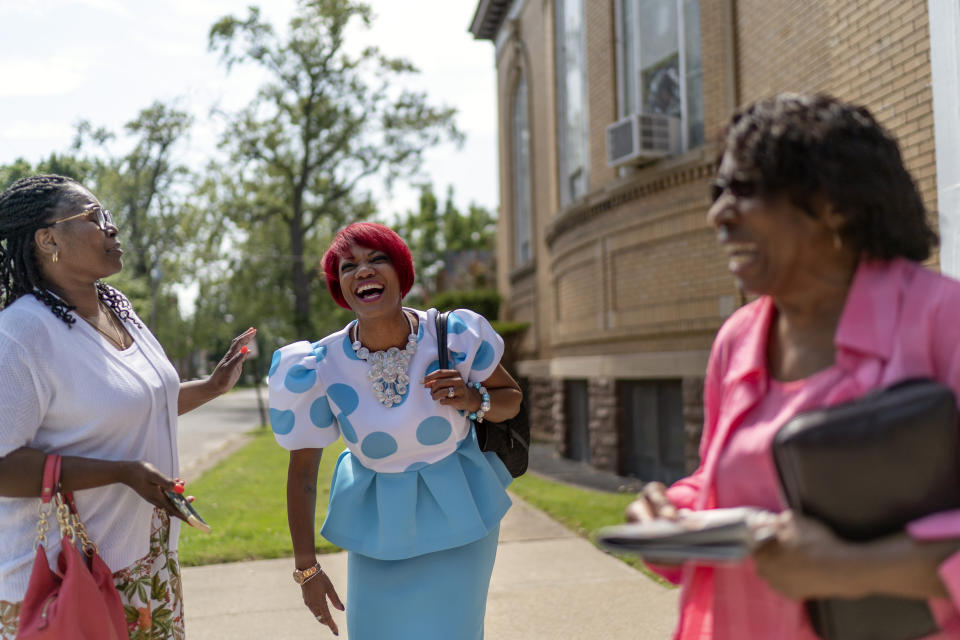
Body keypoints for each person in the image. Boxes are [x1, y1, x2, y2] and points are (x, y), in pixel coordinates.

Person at [625, 93, 960, 639]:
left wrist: (854, 569)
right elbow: (728, 481)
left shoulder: (944, 322)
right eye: (718, 192)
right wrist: (674, 516)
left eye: (746, 189)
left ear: (838, 203)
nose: (719, 214)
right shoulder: (738, 340)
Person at [0, 174, 256, 639]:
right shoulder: (20, 335)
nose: (112, 228)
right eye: (95, 218)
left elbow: (134, 406)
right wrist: (121, 472)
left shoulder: (119, 309)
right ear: (48, 239)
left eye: (109, 217)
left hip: (145, 566)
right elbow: (2, 467)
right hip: (65, 583)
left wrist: (213, 386)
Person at [268, 222, 522, 638]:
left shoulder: (453, 336)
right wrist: (306, 568)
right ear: (340, 287)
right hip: (377, 528)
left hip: (461, 515)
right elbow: (302, 474)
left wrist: (473, 399)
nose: (362, 271)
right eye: (349, 266)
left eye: (376, 259)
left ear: (401, 273)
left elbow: (511, 397)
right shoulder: (318, 365)